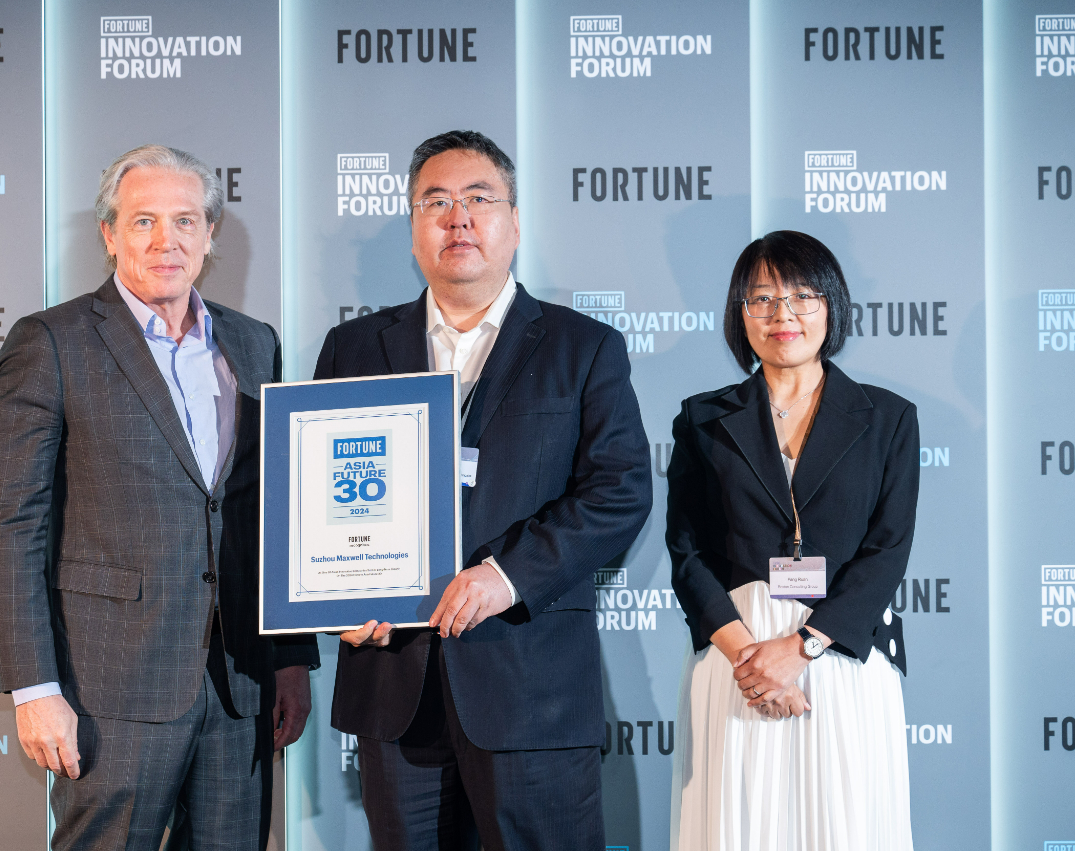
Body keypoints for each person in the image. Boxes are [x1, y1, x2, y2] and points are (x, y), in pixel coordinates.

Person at [314, 130, 654, 851]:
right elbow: (318, 498)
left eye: (479, 199)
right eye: (436, 202)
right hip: (394, 688)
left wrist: (507, 575)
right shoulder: (354, 349)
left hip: (529, 686)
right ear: (413, 228)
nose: (458, 218)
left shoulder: (582, 346)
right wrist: (338, 597)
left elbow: (620, 489)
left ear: (515, 222)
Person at [0, 144, 319, 851]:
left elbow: (274, 514)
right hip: (109, 689)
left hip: (239, 685)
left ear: (210, 235)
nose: (168, 240)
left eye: (186, 220)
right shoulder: (52, 343)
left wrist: (289, 657)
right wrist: (34, 687)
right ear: (109, 234)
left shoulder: (254, 343)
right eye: (144, 221)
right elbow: (11, 524)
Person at [666, 230, 916, 850]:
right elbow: (687, 551)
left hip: (841, 656)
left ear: (831, 306)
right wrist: (750, 661)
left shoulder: (888, 418)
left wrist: (801, 649)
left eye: (803, 296)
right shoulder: (702, 418)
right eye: (762, 299)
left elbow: (887, 550)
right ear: (740, 314)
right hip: (738, 659)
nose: (783, 314)